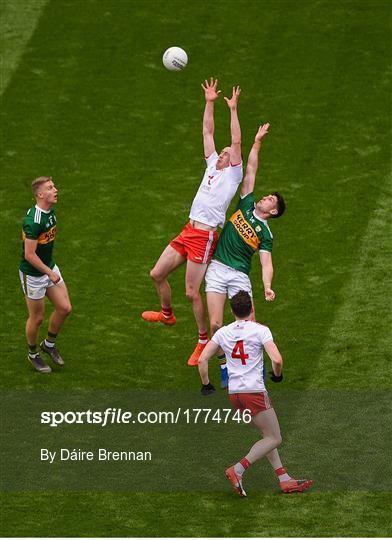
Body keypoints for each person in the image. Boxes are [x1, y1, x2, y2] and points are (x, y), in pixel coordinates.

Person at [142, 78, 243, 366]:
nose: (225, 153)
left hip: (205, 236)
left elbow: (236, 141)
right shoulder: (212, 163)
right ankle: (166, 314)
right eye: (223, 152)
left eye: (228, 152)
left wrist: (233, 110)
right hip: (188, 229)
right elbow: (207, 130)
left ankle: (202, 341)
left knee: (190, 291)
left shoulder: (233, 174)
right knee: (156, 274)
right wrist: (209, 102)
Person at [198, 290, 313, 496]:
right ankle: (238, 469)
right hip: (255, 392)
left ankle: (284, 478)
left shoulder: (222, 332)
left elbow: (202, 360)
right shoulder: (260, 330)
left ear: (231, 310)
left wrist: (206, 384)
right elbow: (276, 360)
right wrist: (277, 376)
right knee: (275, 438)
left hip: (235, 396)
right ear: (251, 309)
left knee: (266, 435)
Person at [204, 123, 286, 387]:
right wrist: (258, 142)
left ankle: (254, 372)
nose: (265, 198)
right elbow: (251, 169)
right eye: (267, 196)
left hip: (239, 275)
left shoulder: (265, 233)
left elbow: (266, 263)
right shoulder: (247, 202)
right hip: (217, 268)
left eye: (270, 200)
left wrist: (268, 286)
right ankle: (226, 366)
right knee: (216, 326)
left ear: (273, 211)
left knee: (251, 327)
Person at [19, 176, 72, 373]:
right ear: (40, 195)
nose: (55, 190)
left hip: (48, 268)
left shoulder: (51, 212)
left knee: (65, 308)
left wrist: (50, 270)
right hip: (33, 274)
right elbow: (29, 255)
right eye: (50, 188)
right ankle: (33, 354)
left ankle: (48, 344)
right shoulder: (33, 222)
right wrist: (49, 273)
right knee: (37, 317)